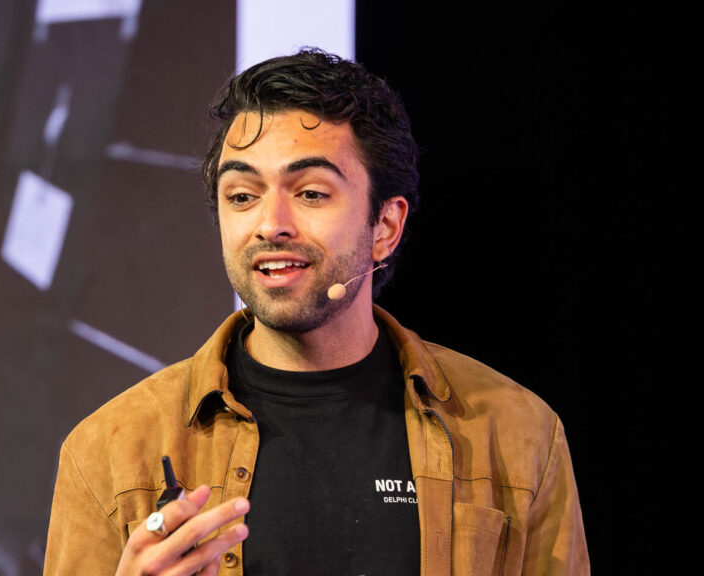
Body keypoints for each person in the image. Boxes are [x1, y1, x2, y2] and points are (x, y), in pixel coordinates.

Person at [43, 48, 589, 576]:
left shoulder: (517, 433)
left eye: (309, 193)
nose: (270, 225)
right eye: (242, 196)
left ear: (385, 227)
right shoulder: (109, 449)